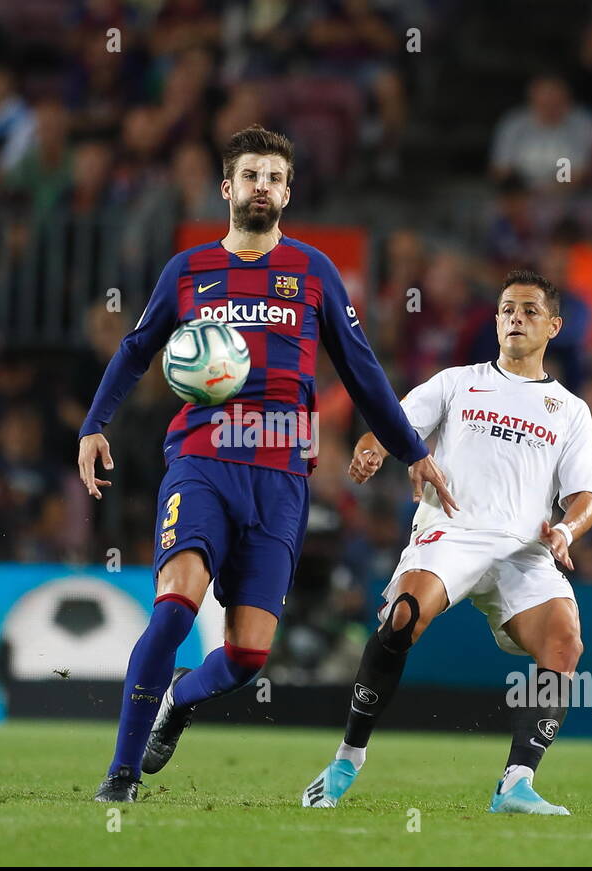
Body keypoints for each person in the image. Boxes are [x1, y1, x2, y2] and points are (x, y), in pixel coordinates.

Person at [78, 125, 455, 802]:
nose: (263, 188)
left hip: (282, 477)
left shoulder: (312, 272)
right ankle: (122, 774)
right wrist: (93, 425)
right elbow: (137, 347)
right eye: (251, 175)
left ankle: (178, 703)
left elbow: (361, 368)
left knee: (247, 657)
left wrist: (414, 451)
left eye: (275, 178)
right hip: (202, 460)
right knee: (173, 611)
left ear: (288, 191)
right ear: (227, 188)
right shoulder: (187, 270)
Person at [302, 269, 592, 815]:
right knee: (404, 616)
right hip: (452, 532)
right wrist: (371, 447)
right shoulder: (456, 382)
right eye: (508, 308)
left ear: (554, 326)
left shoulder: (570, 410)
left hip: (524, 548)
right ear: (495, 320)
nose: (516, 317)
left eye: (531, 310)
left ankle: (515, 785)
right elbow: (392, 425)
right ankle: (348, 757)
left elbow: (586, 498)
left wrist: (564, 530)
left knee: (565, 642)